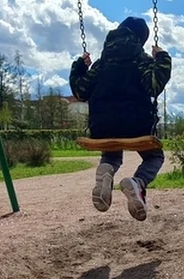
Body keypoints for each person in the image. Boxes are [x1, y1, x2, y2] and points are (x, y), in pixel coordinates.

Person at [69, 16, 171, 221]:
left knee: (112, 154)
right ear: (140, 40)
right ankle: (138, 183)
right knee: (154, 157)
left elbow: (80, 92)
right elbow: (154, 86)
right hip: (137, 126)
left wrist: (79, 67)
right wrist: (162, 59)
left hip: (102, 127)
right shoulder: (141, 60)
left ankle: (106, 169)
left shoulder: (100, 64)